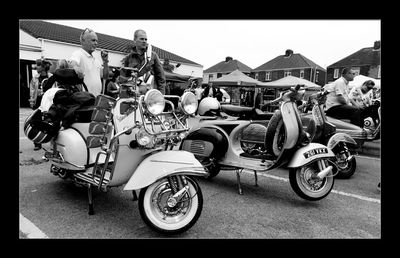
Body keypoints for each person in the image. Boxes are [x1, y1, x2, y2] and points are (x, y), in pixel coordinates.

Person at [122, 29, 166, 94]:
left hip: (150, 94)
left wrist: (161, 94)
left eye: (146, 39)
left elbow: (161, 77)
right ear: (135, 40)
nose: (144, 41)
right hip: (133, 93)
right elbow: (125, 76)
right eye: (141, 39)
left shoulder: (153, 55)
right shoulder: (129, 57)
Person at [69, 28, 109, 97]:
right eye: (93, 40)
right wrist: (76, 68)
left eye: (96, 41)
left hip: (96, 100)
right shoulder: (78, 54)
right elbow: (72, 63)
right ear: (83, 41)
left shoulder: (96, 60)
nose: (96, 43)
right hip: (84, 101)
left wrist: (105, 62)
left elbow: (105, 76)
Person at [29, 58, 53, 150]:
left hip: (49, 103)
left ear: (43, 67)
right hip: (38, 103)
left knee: (50, 122)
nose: (36, 67)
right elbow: (31, 91)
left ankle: (52, 142)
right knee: (36, 122)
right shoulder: (35, 78)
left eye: (38, 65)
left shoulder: (51, 77)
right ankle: (37, 143)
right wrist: (32, 102)